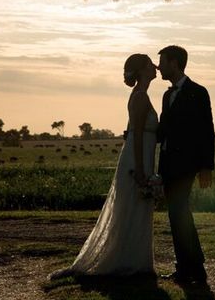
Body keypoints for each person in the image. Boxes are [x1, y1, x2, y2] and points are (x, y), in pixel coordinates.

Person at [48, 53, 159, 279]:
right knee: (131, 205)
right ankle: (127, 262)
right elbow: (137, 135)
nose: (155, 67)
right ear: (141, 71)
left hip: (143, 155)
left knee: (136, 207)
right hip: (137, 157)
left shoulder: (142, 95)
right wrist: (139, 169)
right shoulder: (139, 97)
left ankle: (136, 260)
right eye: (150, 64)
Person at [156, 45, 215, 284]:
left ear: (175, 63)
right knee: (177, 214)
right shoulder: (167, 95)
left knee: (178, 211)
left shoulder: (198, 92)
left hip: (187, 165)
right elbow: (163, 131)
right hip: (168, 163)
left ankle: (194, 268)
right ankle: (188, 268)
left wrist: (206, 166)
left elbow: (207, 130)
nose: (159, 66)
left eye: (162, 62)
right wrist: (137, 134)